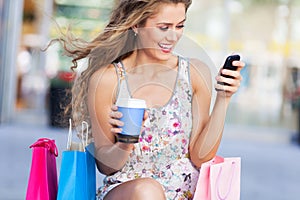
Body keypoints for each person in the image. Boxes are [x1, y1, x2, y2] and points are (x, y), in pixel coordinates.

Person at [56, 0, 245, 199]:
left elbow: (200, 157)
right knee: (147, 191)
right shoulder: (108, 80)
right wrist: (125, 141)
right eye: (163, 27)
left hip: (183, 193)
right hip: (128, 191)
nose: (173, 37)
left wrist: (224, 98)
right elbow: (106, 166)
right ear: (136, 24)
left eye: (180, 26)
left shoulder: (195, 73)